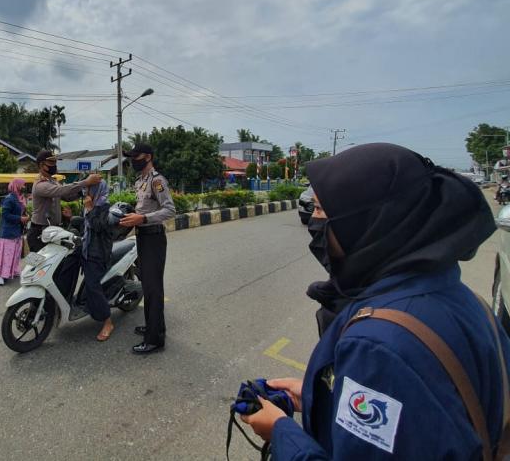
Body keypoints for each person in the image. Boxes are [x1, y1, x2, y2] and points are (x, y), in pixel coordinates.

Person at [241, 143, 510, 460]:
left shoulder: (378, 343)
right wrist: (324, 395)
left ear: (367, 221)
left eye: (321, 210)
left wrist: (282, 433)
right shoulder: (461, 299)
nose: (314, 224)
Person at [119, 143, 175, 355]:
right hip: (142, 237)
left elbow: (169, 209)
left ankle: (155, 340)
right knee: (147, 285)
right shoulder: (140, 181)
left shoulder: (157, 180)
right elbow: (143, 207)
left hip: (154, 238)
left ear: (148, 157)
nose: (134, 160)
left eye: (137, 156)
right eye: (132, 156)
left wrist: (142, 218)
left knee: (153, 289)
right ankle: (153, 327)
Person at [28, 150, 101, 253]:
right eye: (51, 162)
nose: (55, 165)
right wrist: (86, 182)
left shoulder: (53, 181)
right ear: (41, 165)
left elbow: (66, 196)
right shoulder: (40, 185)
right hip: (40, 233)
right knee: (42, 267)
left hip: (53, 231)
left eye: (55, 162)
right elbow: (62, 190)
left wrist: (82, 192)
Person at [80, 180, 115, 342]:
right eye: (87, 188)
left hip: (98, 252)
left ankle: (107, 321)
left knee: (93, 285)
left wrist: (89, 209)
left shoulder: (105, 207)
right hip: (87, 248)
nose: (87, 191)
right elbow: (86, 225)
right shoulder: (93, 204)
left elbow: (99, 226)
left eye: (90, 188)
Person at [0, 178, 29, 286]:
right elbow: (5, 215)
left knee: (14, 253)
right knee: (6, 254)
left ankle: (13, 270)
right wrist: (20, 218)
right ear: (17, 186)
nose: (24, 187)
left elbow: (20, 212)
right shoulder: (9, 198)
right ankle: (0, 275)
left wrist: (25, 216)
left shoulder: (20, 198)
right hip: (8, 231)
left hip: (17, 230)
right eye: (23, 185)